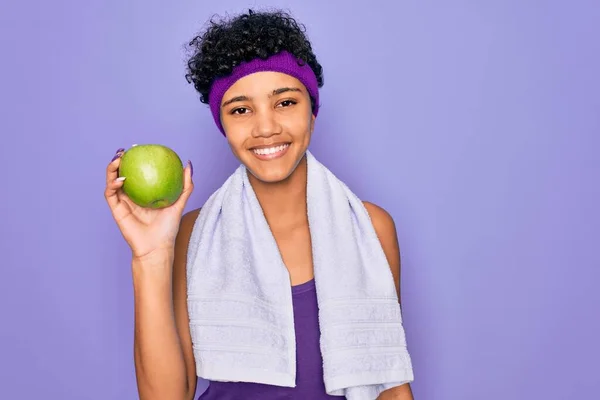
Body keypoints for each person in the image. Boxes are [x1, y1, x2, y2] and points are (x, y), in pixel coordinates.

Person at [104, 9, 414, 400]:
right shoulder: (193, 234)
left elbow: (389, 381)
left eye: (285, 103)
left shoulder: (371, 227)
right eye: (240, 110)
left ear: (312, 113)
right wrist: (149, 256)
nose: (266, 128)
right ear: (223, 125)